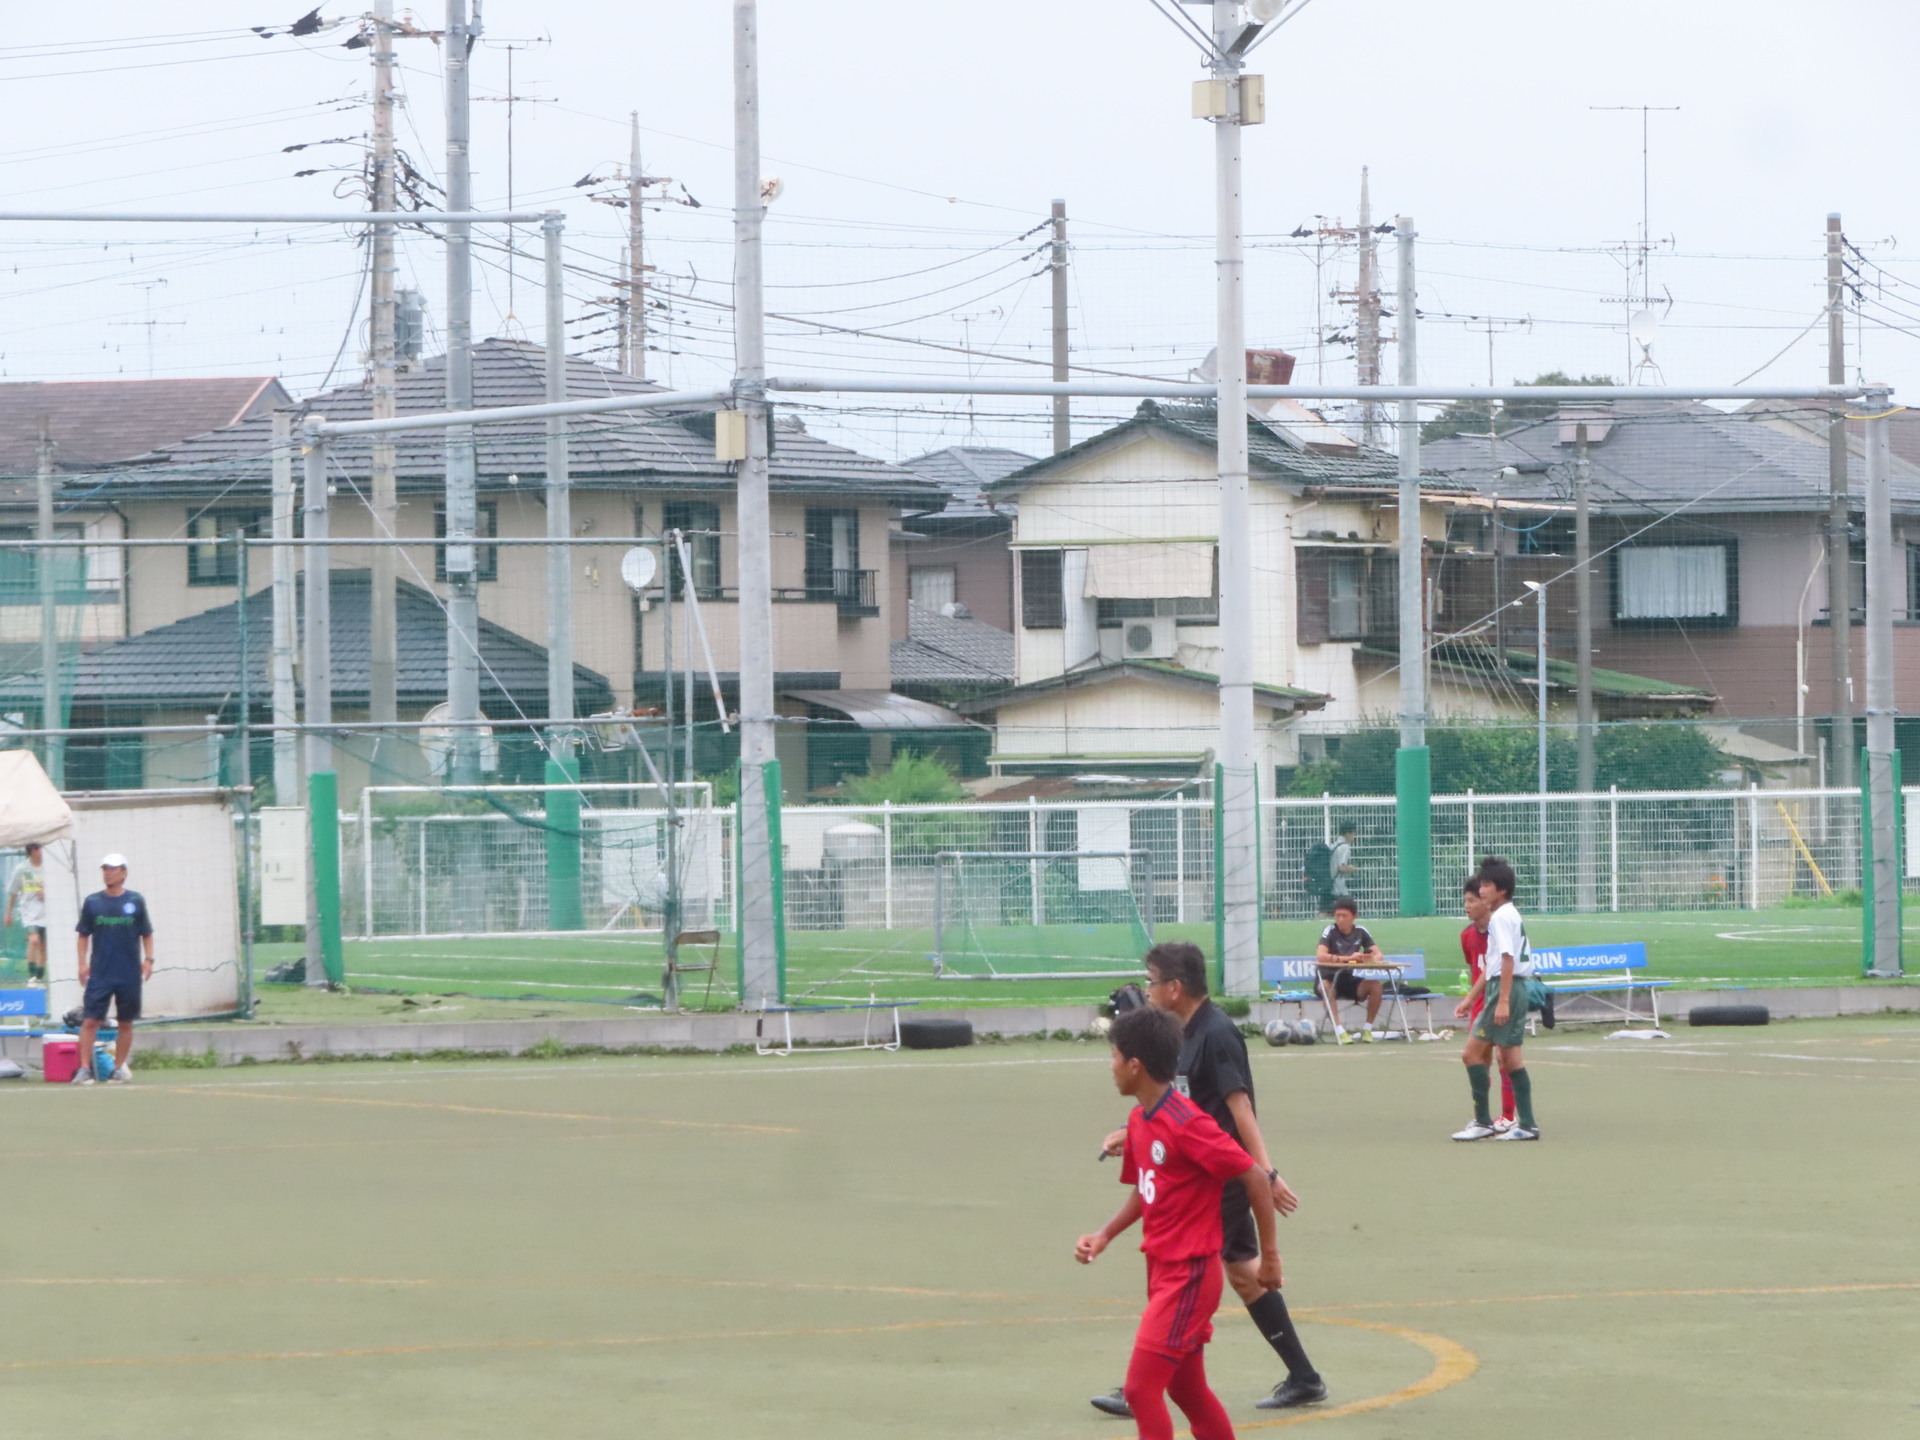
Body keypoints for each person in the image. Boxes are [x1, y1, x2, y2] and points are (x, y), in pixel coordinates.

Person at [1093, 942, 1327, 1417]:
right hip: (1197, 1167)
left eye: (1152, 980)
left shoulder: (1216, 1033)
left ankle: (1144, 1377)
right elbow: (1175, 1101)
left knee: (1213, 1266)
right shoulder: (1182, 1032)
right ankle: (1303, 1376)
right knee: (1242, 1271)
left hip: (1213, 1177)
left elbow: (1239, 1107)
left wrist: (1267, 1172)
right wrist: (1133, 1131)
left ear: (1174, 988)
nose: (1147, 989)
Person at [1076, 1005, 1284, 1440]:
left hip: (1190, 1275)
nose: (1110, 1067)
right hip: (1162, 1269)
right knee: (1186, 1389)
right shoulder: (1139, 1120)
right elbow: (1146, 1191)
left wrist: (1270, 1258)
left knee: (1139, 1389)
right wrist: (1105, 1235)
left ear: (1135, 1066)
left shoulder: (1188, 1123)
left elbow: (1255, 1178)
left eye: (1114, 1057)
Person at [1452, 857, 1539, 1141]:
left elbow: (1506, 959)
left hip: (1507, 989)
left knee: (1471, 1054)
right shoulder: (1510, 914)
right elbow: (1491, 965)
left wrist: (1502, 1000)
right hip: (1506, 987)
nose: (1483, 890)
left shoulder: (1501, 917)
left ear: (1500, 889)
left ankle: (1483, 1121)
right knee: (1510, 1057)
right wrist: (1470, 999)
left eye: (1487, 885)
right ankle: (1525, 1124)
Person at [73, 853, 153, 1085]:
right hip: (100, 972)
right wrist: (82, 964)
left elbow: (147, 933)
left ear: (124, 873)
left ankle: (119, 1068)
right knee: (90, 1020)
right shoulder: (93, 902)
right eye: (105, 869)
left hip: (128, 973)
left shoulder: (136, 901)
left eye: (113, 869)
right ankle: (85, 1069)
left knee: (126, 1021)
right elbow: (83, 936)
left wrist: (149, 960)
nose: (108, 873)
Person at [1458, 875, 1516, 1130]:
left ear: (1485, 901)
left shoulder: (1500, 927)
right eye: (1466, 901)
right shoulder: (1467, 936)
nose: (1467, 906)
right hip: (1480, 1003)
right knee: (1480, 1058)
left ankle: (1508, 1116)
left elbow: (1500, 965)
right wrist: (1471, 999)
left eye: (1472, 900)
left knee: (1505, 1058)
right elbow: (1475, 968)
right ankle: (1482, 1116)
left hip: (1498, 999)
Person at [1315, 898, 1385, 1044]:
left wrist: (1367, 958)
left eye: (1344, 916)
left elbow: (1379, 955)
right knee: (1326, 988)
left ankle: (1367, 1030)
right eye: (1337, 915)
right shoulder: (1330, 931)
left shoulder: (1361, 932)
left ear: (1354, 917)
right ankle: (1340, 1031)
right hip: (1328, 978)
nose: (1340, 919)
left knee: (1376, 986)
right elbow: (1321, 956)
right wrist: (1347, 959)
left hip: (1348, 979)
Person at [4, 842, 48, 986]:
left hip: (47, 913)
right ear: (31, 850)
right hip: (29, 913)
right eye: (37, 848)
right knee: (33, 940)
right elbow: (13, 892)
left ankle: (40, 977)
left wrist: (47, 892)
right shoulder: (22, 868)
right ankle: (32, 976)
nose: (40, 850)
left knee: (43, 946)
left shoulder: (49, 866)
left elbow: (58, 886)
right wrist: (8, 912)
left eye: (40, 847)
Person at [1328, 824, 1358, 903]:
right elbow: (1341, 867)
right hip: (1338, 888)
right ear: (1348, 834)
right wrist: (1351, 868)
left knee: (1325, 913)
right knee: (1348, 910)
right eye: (1353, 834)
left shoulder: (1333, 846)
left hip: (1327, 885)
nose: (1354, 837)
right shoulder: (1345, 847)